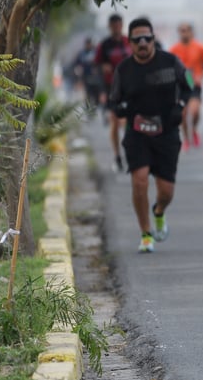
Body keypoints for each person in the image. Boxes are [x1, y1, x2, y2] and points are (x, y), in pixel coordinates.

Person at [109, 18, 192, 253]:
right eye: (137, 40)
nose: (143, 43)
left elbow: (188, 85)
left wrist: (181, 106)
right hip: (137, 132)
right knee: (140, 179)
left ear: (154, 39)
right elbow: (114, 100)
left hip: (167, 132)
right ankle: (146, 234)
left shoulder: (170, 62)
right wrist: (120, 110)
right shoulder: (124, 70)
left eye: (147, 38)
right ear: (131, 42)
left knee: (166, 192)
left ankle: (159, 211)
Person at [94, 13, 131, 172]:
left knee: (127, 122)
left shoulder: (129, 42)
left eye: (119, 25)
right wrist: (102, 91)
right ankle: (117, 155)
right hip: (111, 88)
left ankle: (130, 151)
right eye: (114, 25)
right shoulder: (104, 46)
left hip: (129, 87)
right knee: (115, 123)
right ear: (110, 27)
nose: (117, 28)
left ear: (122, 25)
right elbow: (96, 68)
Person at [168, 23, 203, 151]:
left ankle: (194, 129)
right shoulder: (174, 50)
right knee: (182, 114)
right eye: (182, 30)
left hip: (194, 84)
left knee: (195, 111)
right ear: (179, 32)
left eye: (186, 30)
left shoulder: (199, 47)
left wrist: (202, 75)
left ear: (191, 32)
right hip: (180, 85)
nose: (184, 33)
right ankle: (186, 139)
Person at [73, 36, 103, 116]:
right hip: (86, 77)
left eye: (90, 43)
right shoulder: (82, 53)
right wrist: (78, 70)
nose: (88, 45)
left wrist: (98, 69)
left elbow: (101, 62)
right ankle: (89, 109)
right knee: (88, 93)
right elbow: (76, 64)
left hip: (96, 77)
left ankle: (95, 108)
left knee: (96, 94)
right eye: (87, 44)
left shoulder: (96, 52)